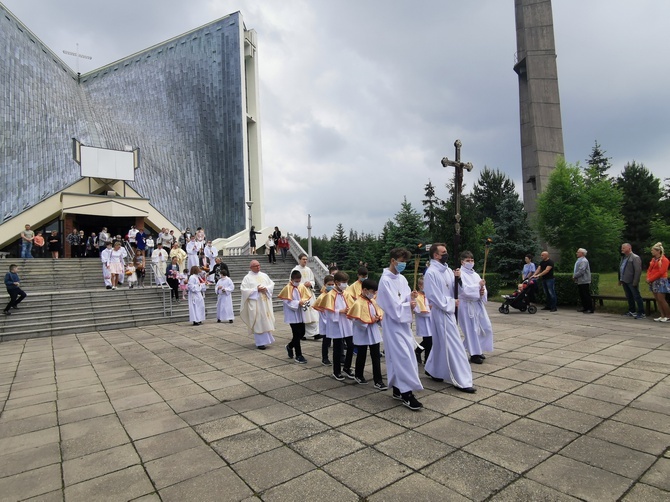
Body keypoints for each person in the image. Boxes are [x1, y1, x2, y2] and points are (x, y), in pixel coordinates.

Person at [423, 243, 476, 393]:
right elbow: (433, 296)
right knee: (455, 345)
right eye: (443, 252)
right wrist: (452, 303)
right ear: (435, 255)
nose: (446, 254)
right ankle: (462, 381)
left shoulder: (446, 270)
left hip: (449, 311)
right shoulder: (431, 273)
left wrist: (458, 279)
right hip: (441, 312)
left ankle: (433, 369)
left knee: (440, 343)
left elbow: (455, 288)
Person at [376, 248, 424, 410]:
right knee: (403, 356)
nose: (403, 264)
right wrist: (406, 305)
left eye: (405, 262)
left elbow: (403, 298)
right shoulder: (385, 281)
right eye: (401, 261)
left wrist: (411, 298)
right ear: (392, 260)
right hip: (393, 323)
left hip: (403, 324)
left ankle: (398, 388)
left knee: (402, 355)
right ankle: (407, 393)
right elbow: (390, 305)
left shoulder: (402, 278)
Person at [313, 271, 355, 380]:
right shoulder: (330, 295)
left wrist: (350, 311)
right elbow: (328, 312)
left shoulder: (346, 293)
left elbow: (351, 305)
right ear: (336, 282)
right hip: (336, 323)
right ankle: (336, 371)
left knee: (351, 345)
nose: (345, 284)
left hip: (346, 323)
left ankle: (347, 367)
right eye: (343, 282)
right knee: (337, 348)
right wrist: (339, 311)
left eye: (346, 282)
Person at [347, 278, 387, 389]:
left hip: (373, 331)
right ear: (365, 290)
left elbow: (378, 313)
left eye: (375, 292)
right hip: (363, 332)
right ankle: (358, 375)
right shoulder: (358, 303)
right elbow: (355, 319)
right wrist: (368, 321)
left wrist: (378, 319)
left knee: (375, 356)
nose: (374, 294)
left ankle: (378, 380)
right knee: (361, 354)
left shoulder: (373, 301)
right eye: (372, 292)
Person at [458, 250, 494, 364]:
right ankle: (474, 354)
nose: (470, 262)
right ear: (462, 262)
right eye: (467, 260)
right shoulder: (460, 274)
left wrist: (483, 292)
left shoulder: (475, 274)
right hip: (466, 305)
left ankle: (478, 349)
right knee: (471, 330)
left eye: (472, 260)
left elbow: (482, 289)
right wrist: (478, 286)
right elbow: (463, 290)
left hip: (477, 304)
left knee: (486, 327)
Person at [240, 260, 275, 349]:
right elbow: (244, 290)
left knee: (266, 320)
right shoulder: (247, 278)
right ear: (251, 267)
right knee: (258, 321)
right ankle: (260, 343)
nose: (258, 267)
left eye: (259, 265)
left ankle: (267, 340)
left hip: (265, 302)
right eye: (255, 266)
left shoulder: (264, 275)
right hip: (256, 303)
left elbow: (271, 284)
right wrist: (256, 290)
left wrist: (266, 288)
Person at [278, 270, 310, 364]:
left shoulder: (301, 286)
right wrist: (297, 303)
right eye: (296, 281)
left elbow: (305, 296)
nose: (297, 282)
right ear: (291, 279)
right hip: (292, 314)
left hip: (300, 313)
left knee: (302, 333)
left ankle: (290, 346)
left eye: (299, 281)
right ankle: (298, 355)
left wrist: (303, 302)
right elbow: (287, 301)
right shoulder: (287, 288)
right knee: (296, 334)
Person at [291, 253, 321, 340]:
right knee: (305, 314)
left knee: (313, 313)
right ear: (299, 260)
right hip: (301, 295)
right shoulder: (295, 270)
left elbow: (313, 280)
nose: (305, 261)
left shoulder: (308, 270)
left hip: (309, 294)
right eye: (303, 259)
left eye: (306, 259)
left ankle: (315, 333)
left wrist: (310, 283)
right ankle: (303, 334)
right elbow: (292, 282)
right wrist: (302, 285)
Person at [646, 242, 670, 322]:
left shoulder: (664, 260)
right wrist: (648, 278)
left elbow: (661, 272)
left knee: (661, 299)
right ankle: (662, 315)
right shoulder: (653, 260)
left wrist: (651, 279)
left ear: (658, 251)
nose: (652, 252)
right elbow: (649, 269)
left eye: (653, 250)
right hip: (653, 281)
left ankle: (668, 315)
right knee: (657, 299)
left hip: (661, 280)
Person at [619, 243, 645, 319]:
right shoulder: (624, 257)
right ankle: (632, 311)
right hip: (624, 280)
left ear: (629, 248)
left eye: (623, 248)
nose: (622, 249)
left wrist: (635, 282)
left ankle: (641, 312)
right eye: (622, 248)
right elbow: (621, 268)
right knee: (629, 296)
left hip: (631, 280)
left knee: (636, 296)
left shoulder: (635, 257)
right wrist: (620, 279)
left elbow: (638, 271)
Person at [315, 275, 335, 365]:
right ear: (325, 284)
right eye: (329, 284)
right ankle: (325, 358)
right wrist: (328, 321)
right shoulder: (321, 297)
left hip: (335, 321)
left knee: (337, 341)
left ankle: (340, 357)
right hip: (326, 321)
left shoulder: (334, 295)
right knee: (326, 341)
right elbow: (321, 312)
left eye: (332, 284)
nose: (331, 286)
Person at [413, 276, 432, 365]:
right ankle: (427, 360)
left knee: (430, 341)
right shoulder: (417, 296)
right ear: (420, 286)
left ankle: (418, 351)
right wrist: (430, 308)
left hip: (431, 321)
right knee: (428, 341)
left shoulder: (428, 295)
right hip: (424, 321)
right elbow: (419, 311)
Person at [573, 248, 593, 314]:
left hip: (584, 280)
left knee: (586, 294)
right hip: (580, 280)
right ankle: (585, 307)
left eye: (578, 252)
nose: (577, 253)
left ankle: (590, 308)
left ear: (582, 253)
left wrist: (575, 276)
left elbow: (581, 270)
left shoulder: (584, 261)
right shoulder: (579, 260)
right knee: (582, 294)